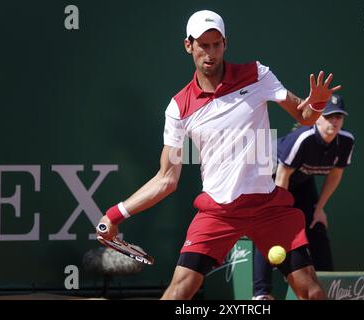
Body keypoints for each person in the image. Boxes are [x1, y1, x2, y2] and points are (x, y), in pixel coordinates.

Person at [96, 9, 342, 300]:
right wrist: (115, 214)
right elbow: (166, 179)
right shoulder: (179, 108)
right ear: (188, 45)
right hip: (218, 213)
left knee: (311, 292)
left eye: (216, 44)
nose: (210, 53)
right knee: (178, 292)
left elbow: (303, 116)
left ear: (225, 44)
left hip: (268, 207)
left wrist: (315, 105)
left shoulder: (256, 75)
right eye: (203, 45)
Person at [252, 94, 355, 300]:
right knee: (269, 230)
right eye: (329, 117)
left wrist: (319, 208)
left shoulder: (345, 141)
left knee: (315, 223)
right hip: (269, 173)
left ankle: (329, 284)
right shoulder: (303, 138)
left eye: (338, 117)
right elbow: (282, 175)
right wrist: (277, 213)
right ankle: (261, 294)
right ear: (317, 118)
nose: (334, 122)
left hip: (300, 177)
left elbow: (335, 175)